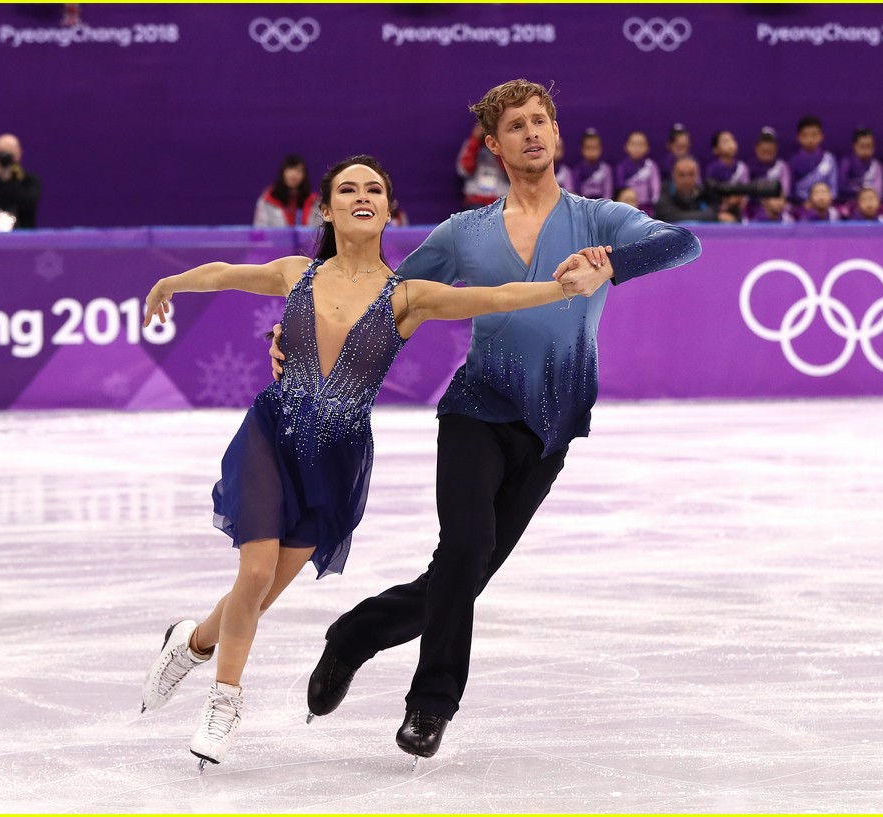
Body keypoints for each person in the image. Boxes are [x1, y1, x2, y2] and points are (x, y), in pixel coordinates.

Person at [277, 80, 702, 763]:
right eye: (517, 125)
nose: (532, 132)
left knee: (461, 574)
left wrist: (613, 268)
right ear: (496, 146)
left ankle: (355, 633)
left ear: (556, 136)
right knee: (467, 549)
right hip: (476, 411)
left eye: (542, 121)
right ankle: (431, 704)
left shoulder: (600, 221)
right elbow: (387, 304)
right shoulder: (463, 234)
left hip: (551, 429)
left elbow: (684, 243)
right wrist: (305, 341)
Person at [139, 155, 583, 770]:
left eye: (374, 188)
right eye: (347, 189)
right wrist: (170, 284)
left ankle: (189, 644)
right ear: (327, 209)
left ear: (389, 209)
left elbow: (498, 295)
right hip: (272, 434)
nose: (361, 195)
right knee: (255, 572)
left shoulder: (409, 297)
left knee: (260, 591)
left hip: (336, 459)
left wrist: (561, 287)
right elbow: (225, 274)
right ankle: (225, 701)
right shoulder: (297, 273)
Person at [655, 157, 736, 223]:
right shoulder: (665, 190)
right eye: (681, 175)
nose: (687, 180)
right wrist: (714, 217)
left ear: (697, 175)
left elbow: (713, 211)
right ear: (673, 175)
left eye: (691, 174)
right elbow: (668, 216)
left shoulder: (704, 192)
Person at [253, 154, 321, 227]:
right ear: (283, 173)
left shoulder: (314, 202)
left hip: (307, 238)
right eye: (290, 169)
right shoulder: (267, 201)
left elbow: (319, 230)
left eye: (298, 171)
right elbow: (260, 230)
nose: (294, 175)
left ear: (304, 175)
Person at [457, 122, 510, 208]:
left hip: (501, 199)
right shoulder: (471, 145)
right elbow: (464, 169)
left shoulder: (506, 147)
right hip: (476, 199)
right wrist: (475, 141)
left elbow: (512, 170)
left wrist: (499, 144)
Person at [789, 115, 838, 204]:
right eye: (805, 135)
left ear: (821, 136)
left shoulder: (829, 159)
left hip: (826, 205)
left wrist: (825, 201)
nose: (810, 139)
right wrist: (805, 203)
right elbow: (791, 191)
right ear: (799, 137)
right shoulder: (794, 161)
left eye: (814, 135)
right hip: (802, 207)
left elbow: (833, 189)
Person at [614, 130, 661, 214]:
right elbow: (620, 189)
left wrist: (654, 206)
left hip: (646, 207)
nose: (637, 148)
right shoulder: (622, 166)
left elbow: (655, 189)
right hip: (627, 206)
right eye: (633, 144)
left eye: (640, 144)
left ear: (647, 147)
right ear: (626, 146)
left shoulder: (651, 166)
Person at [838, 127, 883, 205]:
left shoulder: (876, 166)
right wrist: (858, 191)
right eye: (862, 146)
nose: (865, 150)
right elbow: (842, 187)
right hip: (850, 204)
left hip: (870, 204)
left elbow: (878, 192)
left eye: (869, 146)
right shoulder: (846, 163)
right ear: (854, 146)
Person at [570, 128, 613, 200]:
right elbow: (574, 193)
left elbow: (608, 193)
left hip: (601, 205)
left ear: (600, 149)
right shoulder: (577, 170)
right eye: (588, 148)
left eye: (595, 147)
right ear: (582, 149)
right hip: (583, 205)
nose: (591, 151)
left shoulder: (606, 169)